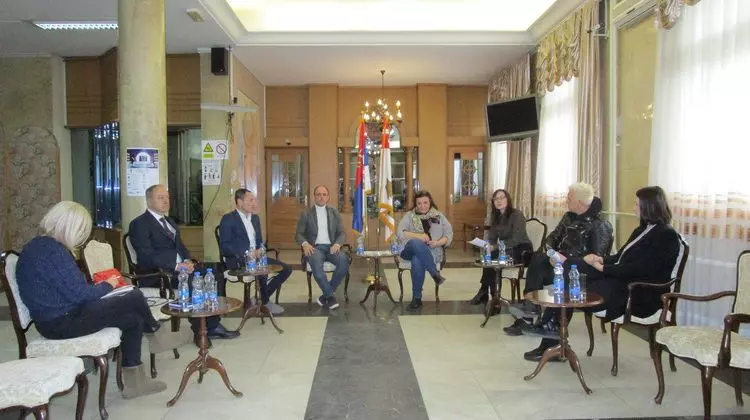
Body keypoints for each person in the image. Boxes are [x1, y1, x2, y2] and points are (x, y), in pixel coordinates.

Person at [16, 201, 173, 399]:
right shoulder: (52, 251)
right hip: (61, 322)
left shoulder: (41, 246)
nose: (81, 237)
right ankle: (157, 334)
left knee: (133, 319)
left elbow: (70, 289)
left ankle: (135, 384)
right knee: (132, 295)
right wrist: (109, 285)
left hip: (59, 316)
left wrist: (101, 287)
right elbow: (80, 294)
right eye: (81, 231)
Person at [523, 186, 681, 361]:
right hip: (621, 280)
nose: (633, 208)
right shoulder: (642, 230)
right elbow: (620, 258)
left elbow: (641, 270)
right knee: (570, 270)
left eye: (637, 204)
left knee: (575, 283)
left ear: (650, 207)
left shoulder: (667, 235)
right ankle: (551, 334)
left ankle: (550, 334)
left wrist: (604, 269)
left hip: (639, 292)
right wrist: (600, 259)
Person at [129, 184, 239, 347]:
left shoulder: (170, 221)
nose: (166, 201)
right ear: (149, 201)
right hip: (159, 274)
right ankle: (200, 330)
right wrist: (176, 266)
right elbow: (146, 256)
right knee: (195, 282)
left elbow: (180, 247)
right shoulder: (139, 224)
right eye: (160, 198)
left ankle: (212, 324)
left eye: (167, 198)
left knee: (215, 274)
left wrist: (188, 260)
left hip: (181, 268)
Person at [504, 182, 613, 335]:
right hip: (559, 264)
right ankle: (531, 308)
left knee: (558, 269)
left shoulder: (601, 225)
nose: (566, 200)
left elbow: (596, 259)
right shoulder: (568, 217)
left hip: (578, 271)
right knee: (538, 258)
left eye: (569, 198)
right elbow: (552, 238)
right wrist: (552, 253)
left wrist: (565, 260)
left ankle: (549, 325)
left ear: (580, 202)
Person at [218, 188, 292, 315]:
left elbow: (259, 241)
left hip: (257, 258)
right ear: (239, 202)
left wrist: (260, 250)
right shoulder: (228, 219)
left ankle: (261, 299)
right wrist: (246, 253)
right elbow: (225, 247)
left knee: (286, 269)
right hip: (238, 260)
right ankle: (265, 302)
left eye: (254, 200)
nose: (254, 203)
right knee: (262, 270)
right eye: (251, 200)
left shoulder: (255, 218)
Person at [470, 189, 533, 305]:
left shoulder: (517, 215)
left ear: (508, 199)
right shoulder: (496, 217)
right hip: (506, 249)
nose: (498, 201)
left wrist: (495, 247)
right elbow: (492, 238)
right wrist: (487, 245)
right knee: (490, 257)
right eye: (496, 199)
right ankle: (493, 296)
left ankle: (487, 293)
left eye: (502, 198)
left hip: (522, 250)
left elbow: (517, 239)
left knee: (493, 257)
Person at [295, 185, 350, 310]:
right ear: (314, 197)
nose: (321, 197)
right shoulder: (306, 213)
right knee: (318, 270)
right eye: (318, 194)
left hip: (331, 247)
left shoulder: (334, 212)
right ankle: (330, 297)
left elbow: (341, 232)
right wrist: (305, 244)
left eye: (324, 194)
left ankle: (324, 296)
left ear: (328, 197)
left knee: (344, 261)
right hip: (315, 248)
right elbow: (299, 234)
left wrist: (337, 244)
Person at [396, 190, 452, 311]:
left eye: (425, 202)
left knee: (417, 259)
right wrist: (419, 236)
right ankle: (434, 273)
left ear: (430, 202)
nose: (422, 206)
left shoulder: (438, 216)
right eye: (419, 203)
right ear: (415, 204)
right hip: (409, 250)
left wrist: (437, 243)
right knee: (416, 243)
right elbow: (400, 232)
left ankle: (416, 299)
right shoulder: (409, 216)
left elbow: (448, 235)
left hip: (432, 251)